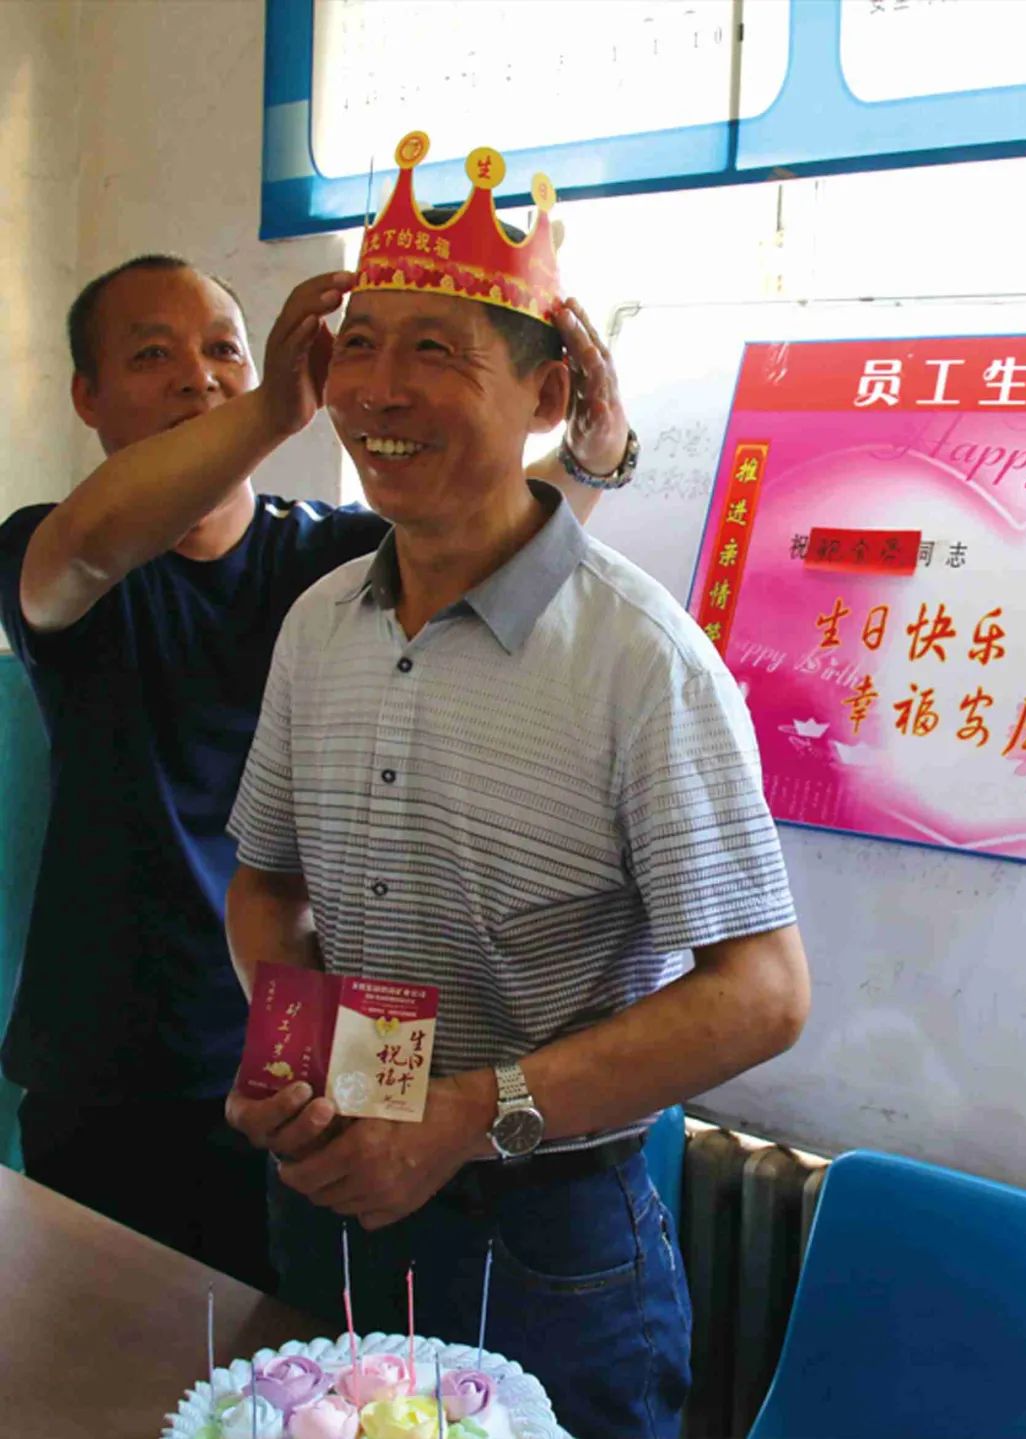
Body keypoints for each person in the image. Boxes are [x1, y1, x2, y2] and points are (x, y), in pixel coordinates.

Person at [224, 138, 810, 1437]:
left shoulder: (640, 659)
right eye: (360, 344)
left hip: (548, 1242)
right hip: (335, 1193)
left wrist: (463, 1115)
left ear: (548, 392)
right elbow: (267, 883)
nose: (381, 388)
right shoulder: (320, 622)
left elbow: (764, 991)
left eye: (436, 350)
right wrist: (305, 1059)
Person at [0, 250, 629, 1289]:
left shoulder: (335, 560)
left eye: (224, 351)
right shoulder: (51, 549)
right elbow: (88, 547)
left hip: (326, 1054)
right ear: (87, 396)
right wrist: (272, 411)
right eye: (152, 356)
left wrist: (593, 458)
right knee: (115, 1353)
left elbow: (499, 531)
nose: (198, 377)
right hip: (117, 1067)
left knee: (319, 1347)